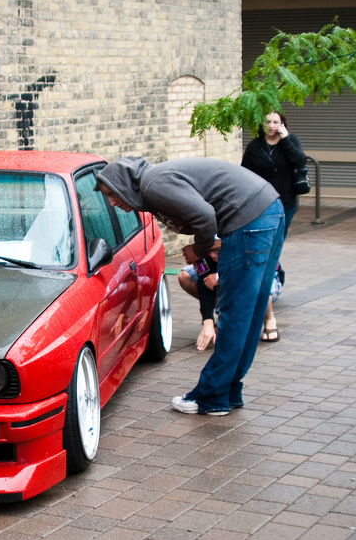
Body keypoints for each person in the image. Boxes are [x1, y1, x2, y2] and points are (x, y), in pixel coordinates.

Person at [97, 156, 284, 416]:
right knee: (250, 313)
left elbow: (205, 217)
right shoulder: (155, 183)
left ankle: (212, 397)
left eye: (111, 194)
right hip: (269, 210)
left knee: (235, 314)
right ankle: (228, 391)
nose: (112, 202)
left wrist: (199, 250)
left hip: (249, 221)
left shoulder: (153, 185)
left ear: (123, 184)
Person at [241, 111, 306, 342]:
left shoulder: (290, 141)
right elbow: (244, 174)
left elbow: (300, 161)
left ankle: (273, 280)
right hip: (260, 205)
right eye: (267, 122)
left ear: (282, 124)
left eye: (275, 122)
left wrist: (286, 138)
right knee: (265, 248)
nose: (271, 126)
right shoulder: (255, 146)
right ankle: (271, 282)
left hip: (285, 203)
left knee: (275, 247)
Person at [177, 238, 220, 351]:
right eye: (208, 251)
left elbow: (246, 272)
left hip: (256, 276)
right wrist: (208, 320)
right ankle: (221, 311)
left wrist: (220, 276)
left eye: (216, 250)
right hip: (219, 270)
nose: (211, 254)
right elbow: (204, 284)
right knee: (186, 276)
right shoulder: (207, 252)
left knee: (260, 290)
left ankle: (268, 319)